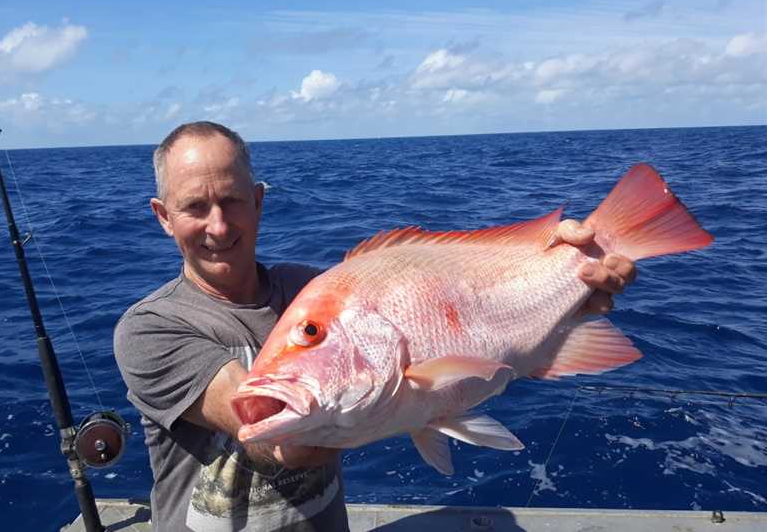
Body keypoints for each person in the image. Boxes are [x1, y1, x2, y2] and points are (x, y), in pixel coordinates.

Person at [113, 121, 637, 532]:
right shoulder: (149, 329)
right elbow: (276, 442)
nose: (218, 225)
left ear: (258, 201)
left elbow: (477, 346)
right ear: (163, 216)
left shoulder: (310, 289)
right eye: (194, 207)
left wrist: (565, 305)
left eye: (231, 200)